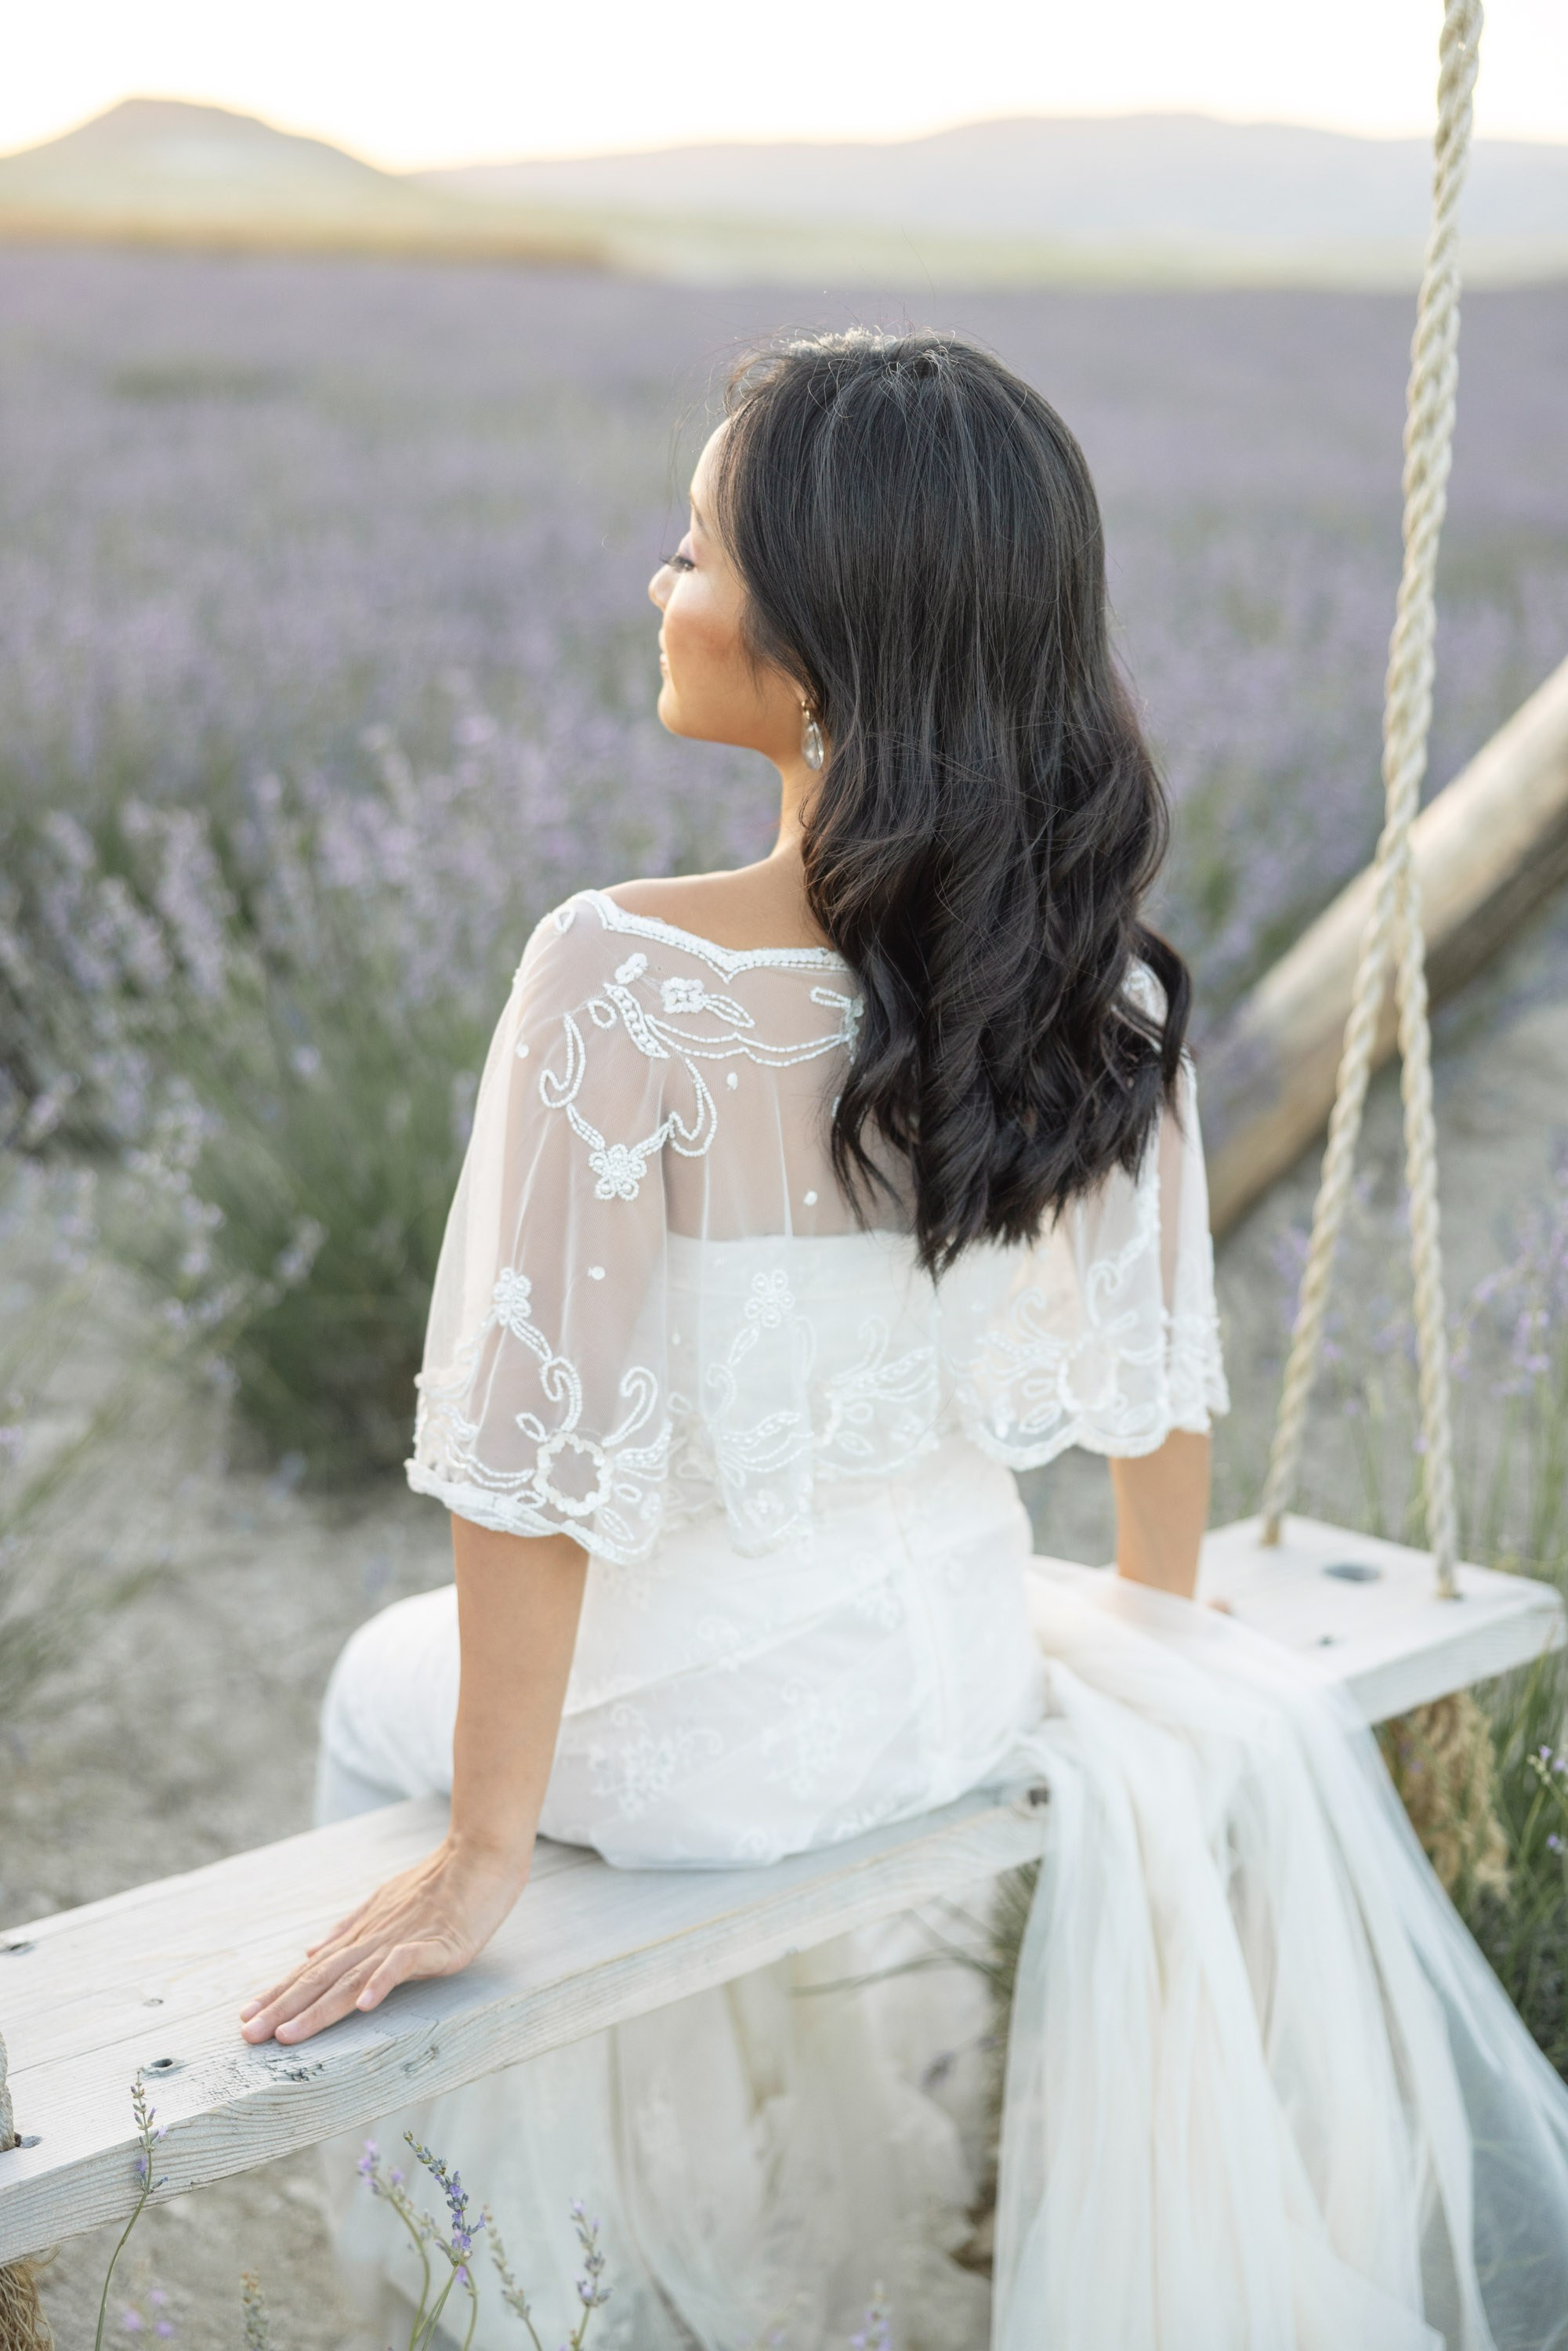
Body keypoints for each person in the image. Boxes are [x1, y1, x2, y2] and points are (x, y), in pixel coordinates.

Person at [241, 331, 1568, 2351]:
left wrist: (485, 1855)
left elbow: (534, 1463)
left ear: (818, 634)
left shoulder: (623, 976)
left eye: (691, 545)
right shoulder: (1105, 986)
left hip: (721, 1739)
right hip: (957, 1683)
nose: (658, 583)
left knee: (369, 1687)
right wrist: (1149, 1646)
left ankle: (515, 2277)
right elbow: (1158, 1400)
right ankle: (792, 2157)